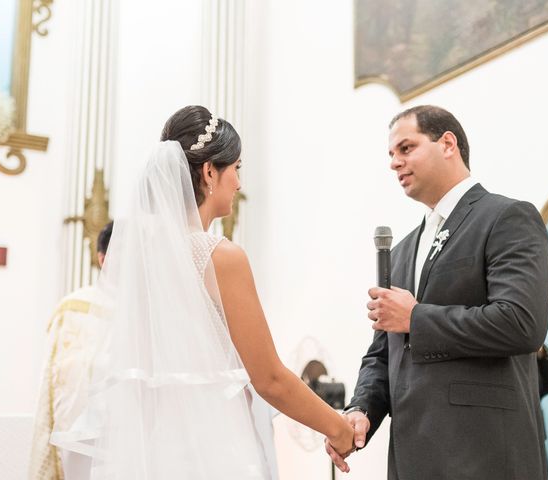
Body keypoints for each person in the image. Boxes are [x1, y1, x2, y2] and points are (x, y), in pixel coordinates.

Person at [50, 106, 354, 479]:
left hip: (150, 452)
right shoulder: (219, 256)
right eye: (236, 168)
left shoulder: (138, 260)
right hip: (208, 452)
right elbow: (270, 378)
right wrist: (337, 427)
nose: (239, 183)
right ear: (210, 172)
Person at [326, 105, 548, 479]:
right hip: (412, 456)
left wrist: (416, 317)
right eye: (391, 154)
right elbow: (384, 352)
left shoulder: (506, 218)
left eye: (406, 148)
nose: (394, 163)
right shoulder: (400, 252)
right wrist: (361, 410)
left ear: (448, 143)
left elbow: (522, 323)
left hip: (484, 454)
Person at [29, 221, 113, 480]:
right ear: (102, 259)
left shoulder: (152, 312)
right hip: (80, 440)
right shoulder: (75, 308)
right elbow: (60, 390)